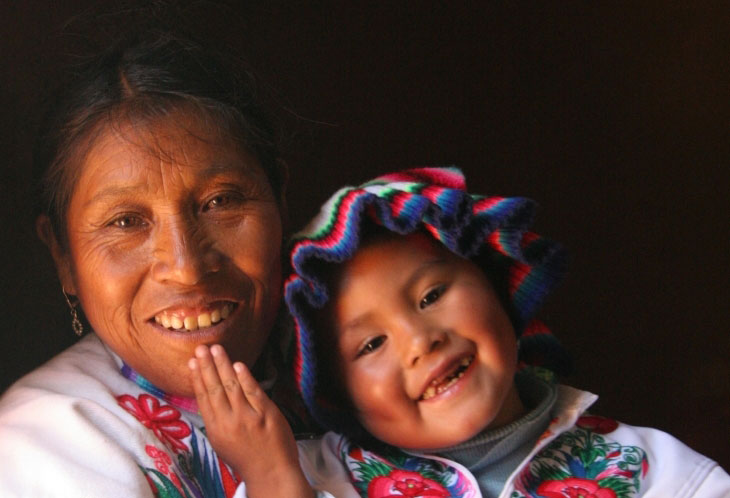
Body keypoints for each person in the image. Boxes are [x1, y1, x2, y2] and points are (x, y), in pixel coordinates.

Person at [191, 167, 730, 497]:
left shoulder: (662, 473)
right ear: (334, 392)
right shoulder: (317, 479)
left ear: (497, 284)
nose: (420, 340)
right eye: (371, 344)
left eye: (431, 297)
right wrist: (274, 481)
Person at [0, 31, 317, 498]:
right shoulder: (44, 445)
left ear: (280, 200)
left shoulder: (374, 359)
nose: (186, 267)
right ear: (62, 255)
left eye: (221, 201)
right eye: (126, 221)